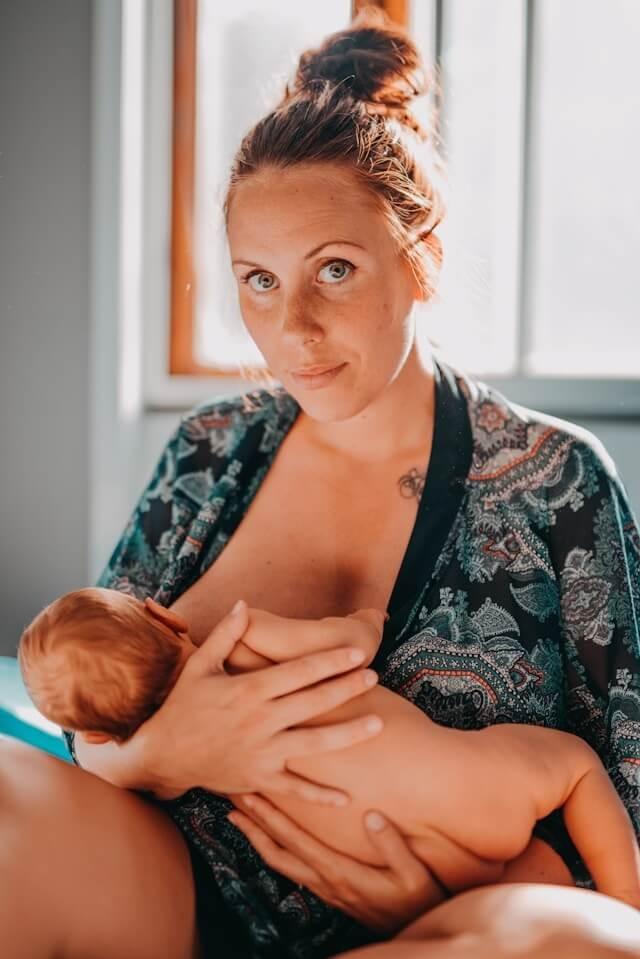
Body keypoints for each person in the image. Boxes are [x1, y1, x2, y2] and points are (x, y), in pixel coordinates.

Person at [2, 5, 639, 958]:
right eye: (258, 280)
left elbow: (622, 800)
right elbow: (88, 712)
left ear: (419, 260)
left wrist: (461, 888)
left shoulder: (554, 484)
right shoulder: (210, 452)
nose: (291, 328)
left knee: (575, 944)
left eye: (332, 269)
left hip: (449, 929)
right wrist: (166, 754)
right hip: (175, 895)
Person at [17, 588, 640, 906]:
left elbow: (107, 772)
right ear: (166, 617)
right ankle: (626, 909)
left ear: (96, 732)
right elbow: (349, 649)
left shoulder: (158, 769)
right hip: (467, 790)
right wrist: (367, 616)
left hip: (400, 861)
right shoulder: (242, 639)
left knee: (516, 875)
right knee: (576, 767)